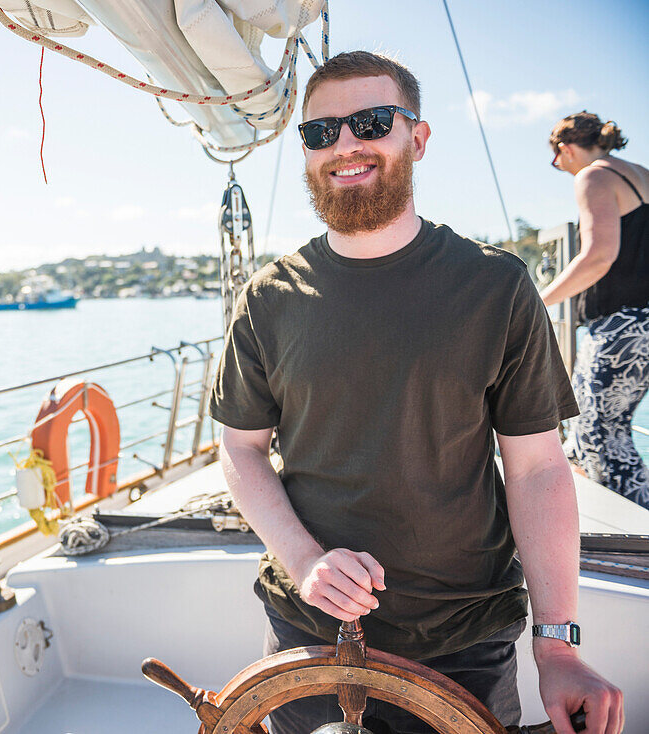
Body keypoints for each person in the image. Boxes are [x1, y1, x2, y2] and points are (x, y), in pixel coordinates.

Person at [208, 52, 623, 734]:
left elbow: (539, 468)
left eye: (370, 122)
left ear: (418, 139)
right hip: (307, 634)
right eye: (321, 133)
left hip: (464, 640)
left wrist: (556, 646)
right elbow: (240, 449)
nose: (345, 145)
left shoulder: (497, 287)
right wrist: (306, 560)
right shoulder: (267, 299)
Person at [542, 112, 649, 509]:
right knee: (612, 433)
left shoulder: (593, 176)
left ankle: (632, 541)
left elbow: (598, 256)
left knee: (598, 437)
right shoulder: (641, 174)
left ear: (565, 149)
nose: (560, 167)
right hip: (643, 328)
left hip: (621, 329)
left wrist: (539, 299)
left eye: (556, 159)